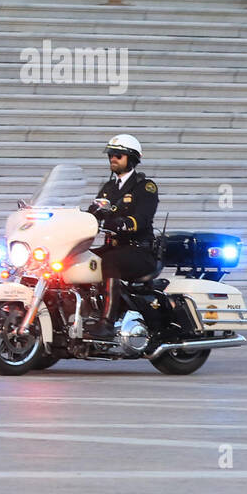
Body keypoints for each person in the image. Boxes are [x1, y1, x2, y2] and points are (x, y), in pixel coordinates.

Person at [85, 133, 159, 339]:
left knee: (109, 262)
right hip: (114, 248)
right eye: (111, 154)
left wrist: (119, 223)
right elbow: (93, 212)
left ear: (132, 159)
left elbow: (142, 219)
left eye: (118, 155)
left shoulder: (145, 187)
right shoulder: (108, 188)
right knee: (80, 260)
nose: (113, 158)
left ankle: (107, 324)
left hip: (140, 250)